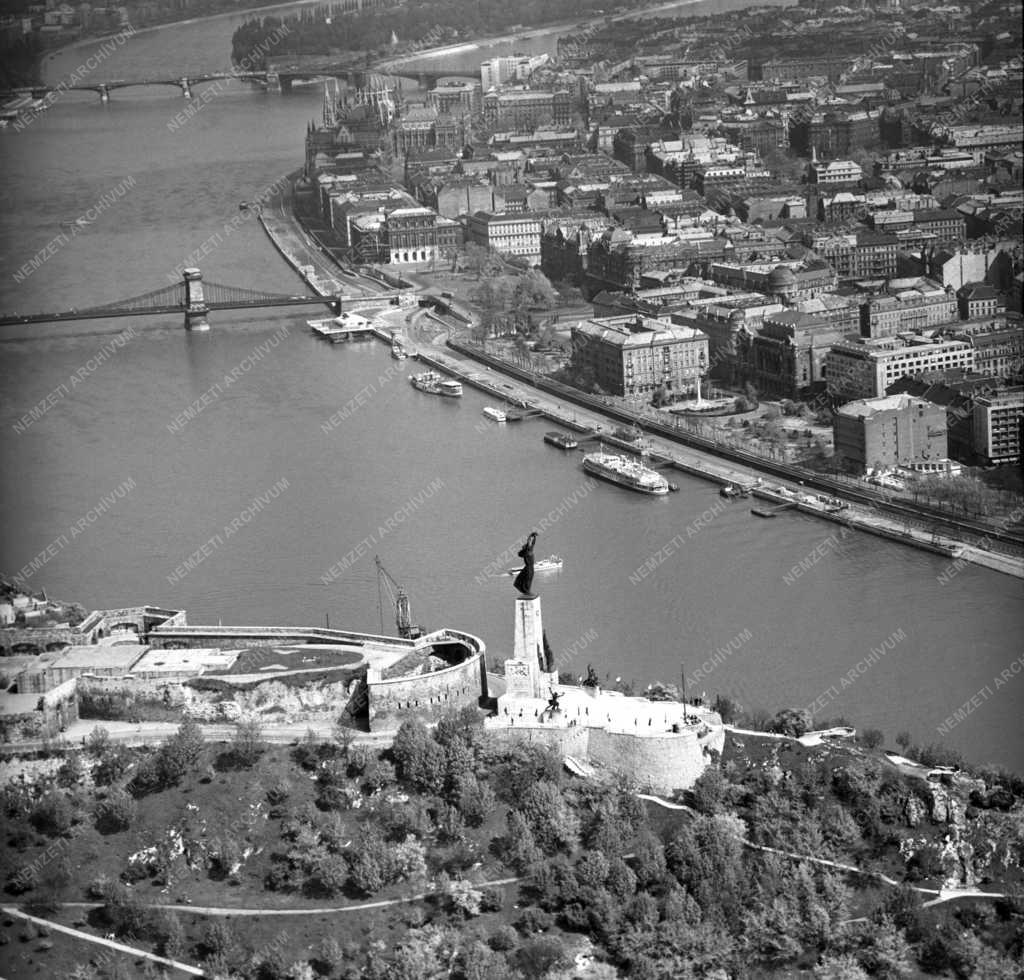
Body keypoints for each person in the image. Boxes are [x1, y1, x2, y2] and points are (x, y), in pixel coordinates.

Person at [512, 531, 538, 596]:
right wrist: (532, 535)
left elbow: (532, 543)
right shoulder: (527, 552)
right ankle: (526, 591)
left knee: (528, 580)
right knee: (526, 580)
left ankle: (527, 591)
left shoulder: (529, 550)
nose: (528, 546)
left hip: (530, 568)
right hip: (528, 568)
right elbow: (530, 542)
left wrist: (533, 536)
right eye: (525, 547)